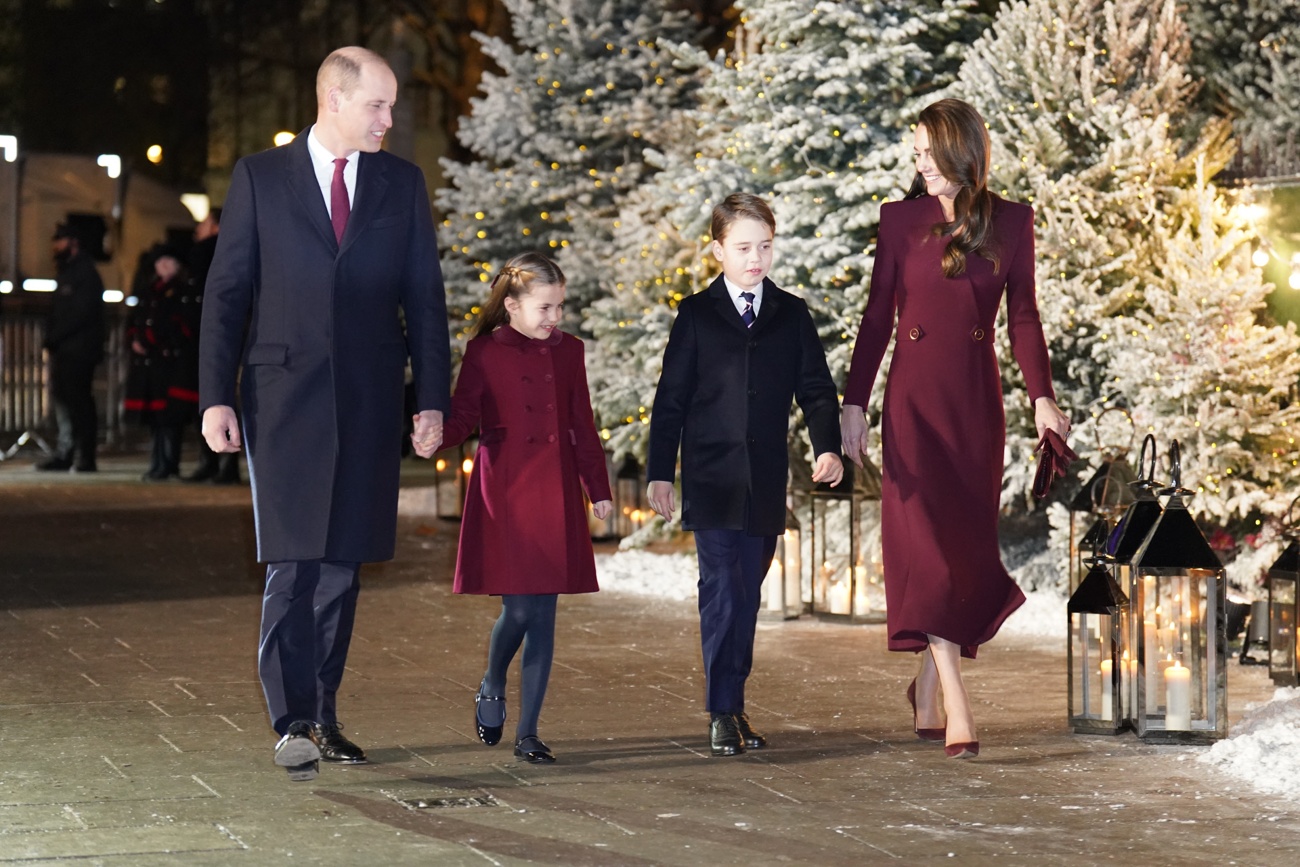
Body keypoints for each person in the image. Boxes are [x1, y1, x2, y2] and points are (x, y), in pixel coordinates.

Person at [198, 46, 451, 782]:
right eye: (377, 104)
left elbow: (424, 300)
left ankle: (324, 713)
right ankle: (290, 720)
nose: (389, 118)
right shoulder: (259, 178)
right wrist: (215, 394)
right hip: (281, 400)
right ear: (333, 101)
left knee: (342, 565)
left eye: (392, 104)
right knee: (292, 562)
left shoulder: (401, 184)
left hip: (369, 401)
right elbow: (227, 294)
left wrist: (430, 397)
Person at [839, 98, 1070, 759]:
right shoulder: (898, 220)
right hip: (911, 404)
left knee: (959, 551)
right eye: (914, 154)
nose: (919, 165)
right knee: (929, 550)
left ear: (962, 153)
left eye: (928, 153)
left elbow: (1023, 317)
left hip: (974, 406)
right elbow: (878, 317)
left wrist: (1042, 397)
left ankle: (925, 685)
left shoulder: (1013, 223)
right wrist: (855, 402)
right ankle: (959, 705)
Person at [646, 193, 843, 757]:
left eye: (764, 247)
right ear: (718, 251)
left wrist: (825, 446)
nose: (755, 259)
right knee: (722, 595)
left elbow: (816, 389)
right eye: (743, 248)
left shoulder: (791, 314)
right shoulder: (696, 315)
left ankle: (732, 703)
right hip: (711, 478)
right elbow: (671, 401)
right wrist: (662, 472)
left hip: (763, 482)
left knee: (746, 596)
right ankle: (721, 710)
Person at [441, 252, 612, 764]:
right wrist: (432, 436)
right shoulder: (483, 352)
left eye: (560, 307)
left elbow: (582, 422)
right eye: (545, 308)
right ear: (512, 305)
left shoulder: (569, 351)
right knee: (518, 608)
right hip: (507, 489)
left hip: (556, 488)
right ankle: (493, 680)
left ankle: (529, 731)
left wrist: (596, 486)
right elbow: (463, 416)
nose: (555, 318)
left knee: (544, 616)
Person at [123, 248, 199, 481]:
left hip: (168, 363)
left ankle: (169, 463)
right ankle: (157, 462)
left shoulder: (182, 291)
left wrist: (152, 339)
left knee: (169, 418)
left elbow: (178, 325)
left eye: (170, 260)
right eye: (161, 261)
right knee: (156, 419)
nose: (164, 265)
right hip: (150, 363)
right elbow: (135, 319)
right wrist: (135, 339)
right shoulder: (149, 291)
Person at [37, 223, 105, 473]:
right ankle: (66, 453)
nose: (55, 246)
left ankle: (84, 456)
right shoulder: (68, 272)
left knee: (79, 404)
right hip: (66, 349)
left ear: (73, 242)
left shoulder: (85, 273)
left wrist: (55, 336)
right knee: (65, 402)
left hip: (79, 351)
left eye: (61, 241)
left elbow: (80, 314)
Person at [183, 207, 240, 484]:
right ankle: (218, 463)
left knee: (219, 400)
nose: (199, 228)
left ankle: (220, 463)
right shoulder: (203, 254)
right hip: (208, 337)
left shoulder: (208, 253)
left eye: (205, 223)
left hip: (209, 337)